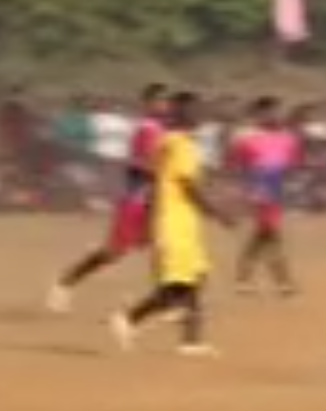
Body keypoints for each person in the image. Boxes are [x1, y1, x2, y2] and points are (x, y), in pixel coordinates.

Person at [109, 92, 233, 356]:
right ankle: (129, 318)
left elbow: (158, 180)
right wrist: (217, 212)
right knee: (177, 285)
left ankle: (191, 341)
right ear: (180, 114)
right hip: (175, 222)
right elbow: (188, 185)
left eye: (200, 109)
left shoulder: (169, 141)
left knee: (196, 278)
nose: (200, 114)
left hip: (180, 220)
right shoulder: (181, 144)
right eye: (194, 110)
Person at [47, 83, 168, 312]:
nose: (164, 104)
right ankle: (65, 282)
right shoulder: (147, 128)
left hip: (148, 198)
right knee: (113, 253)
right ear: (148, 103)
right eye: (159, 100)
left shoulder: (157, 129)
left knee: (162, 248)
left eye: (165, 100)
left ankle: (165, 299)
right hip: (137, 200)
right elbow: (140, 164)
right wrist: (156, 179)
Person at [230, 97, 302, 296]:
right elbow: (237, 166)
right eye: (271, 112)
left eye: (278, 111)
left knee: (262, 235)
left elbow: (292, 166)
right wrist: (242, 190)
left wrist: (292, 186)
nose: (276, 116)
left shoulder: (289, 138)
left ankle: (243, 277)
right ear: (259, 114)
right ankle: (283, 281)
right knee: (272, 233)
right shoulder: (247, 138)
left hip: (277, 191)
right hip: (259, 192)